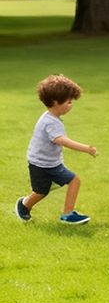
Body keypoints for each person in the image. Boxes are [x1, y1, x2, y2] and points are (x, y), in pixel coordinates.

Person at [16, 74, 96, 225]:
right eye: (69, 102)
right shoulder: (50, 122)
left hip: (50, 163)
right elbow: (61, 140)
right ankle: (24, 205)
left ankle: (67, 214)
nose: (71, 105)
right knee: (41, 192)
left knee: (73, 181)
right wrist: (86, 148)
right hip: (41, 164)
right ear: (55, 102)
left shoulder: (51, 117)